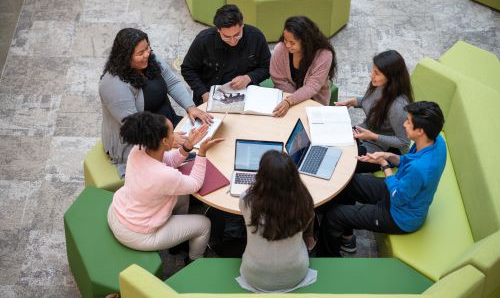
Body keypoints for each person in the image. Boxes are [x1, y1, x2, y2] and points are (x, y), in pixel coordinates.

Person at [317, 101, 446, 257]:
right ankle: (343, 235)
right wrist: (388, 156)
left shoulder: (420, 169)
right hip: (400, 187)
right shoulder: (437, 142)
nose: (404, 124)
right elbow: (408, 160)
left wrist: (384, 165)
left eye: (409, 122)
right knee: (347, 181)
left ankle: (328, 259)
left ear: (420, 131)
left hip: (399, 215)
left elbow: (397, 198)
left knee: (334, 216)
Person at [107, 111, 223, 264]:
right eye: (172, 133)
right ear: (164, 141)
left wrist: (187, 147)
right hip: (136, 234)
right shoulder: (165, 176)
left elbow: (169, 161)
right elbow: (195, 183)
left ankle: (178, 241)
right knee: (204, 224)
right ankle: (195, 262)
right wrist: (201, 153)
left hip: (118, 212)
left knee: (182, 195)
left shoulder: (138, 150)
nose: (175, 136)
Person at [99, 28, 212, 177]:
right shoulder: (113, 85)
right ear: (125, 57)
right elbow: (133, 125)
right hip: (141, 139)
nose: (147, 54)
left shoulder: (150, 59)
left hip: (168, 125)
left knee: (206, 142)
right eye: (140, 53)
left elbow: (172, 83)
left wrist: (190, 107)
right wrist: (166, 140)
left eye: (147, 48)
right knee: (191, 161)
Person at [239, 150, 314, 291]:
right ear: (294, 175)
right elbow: (306, 223)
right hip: (295, 273)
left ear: (261, 175)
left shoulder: (246, 201)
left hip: (254, 274)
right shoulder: (305, 202)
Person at [335, 50, 414, 173]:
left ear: (391, 77)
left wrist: (373, 136)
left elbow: (404, 142)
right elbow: (370, 102)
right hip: (367, 132)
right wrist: (352, 102)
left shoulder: (398, 107)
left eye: (376, 73)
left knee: (342, 162)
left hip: (386, 149)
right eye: (373, 70)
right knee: (332, 142)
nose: (371, 75)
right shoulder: (378, 84)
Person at [181, 4, 271, 105]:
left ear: (242, 25)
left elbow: (267, 67)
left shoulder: (256, 37)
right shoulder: (204, 40)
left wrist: (248, 77)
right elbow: (187, 69)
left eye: (237, 35)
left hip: (247, 93)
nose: (233, 41)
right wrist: (203, 93)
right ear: (218, 30)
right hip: (209, 94)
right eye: (227, 37)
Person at [270, 16, 337, 117]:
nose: (287, 45)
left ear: (306, 41)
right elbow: (278, 79)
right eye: (285, 39)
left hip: (313, 101)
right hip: (285, 96)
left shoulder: (324, 55)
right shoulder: (281, 48)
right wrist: (292, 99)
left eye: (292, 42)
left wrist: (291, 101)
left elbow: (312, 86)